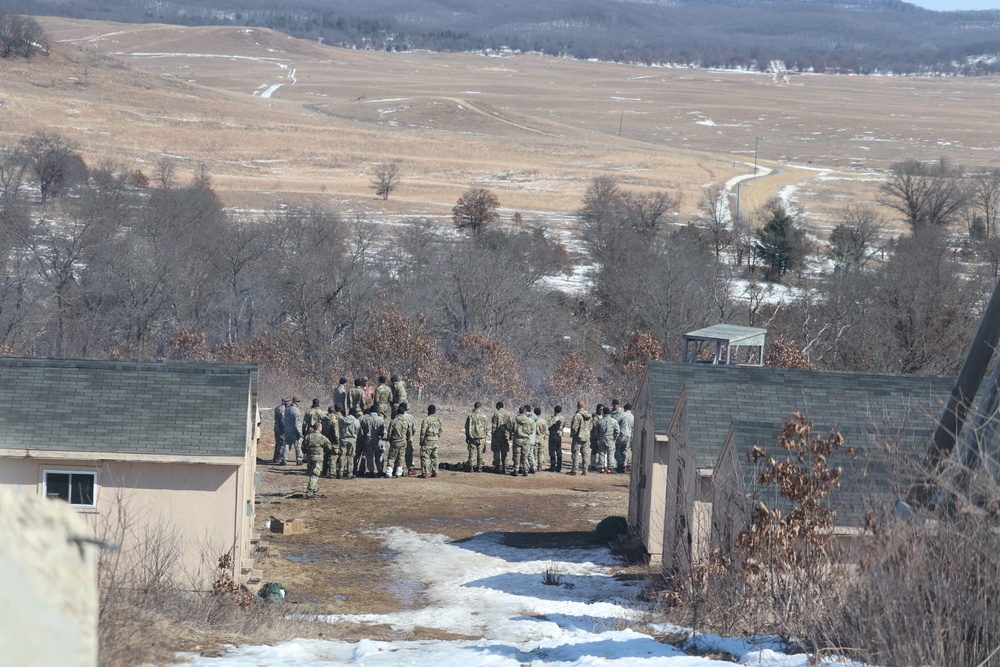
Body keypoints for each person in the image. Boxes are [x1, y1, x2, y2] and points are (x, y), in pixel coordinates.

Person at [303, 421, 332, 498]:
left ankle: (314, 488)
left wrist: (306, 452)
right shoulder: (322, 438)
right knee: (315, 474)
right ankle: (310, 492)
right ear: (319, 428)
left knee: (311, 474)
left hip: (310, 457)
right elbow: (329, 447)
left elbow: (303, 447)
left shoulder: (308, 436)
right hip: (318, 458)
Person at [386, 403, 414, 478]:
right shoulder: (406, 422)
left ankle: (389, 472)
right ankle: (399, 472)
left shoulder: (393, 421)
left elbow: (389, 433)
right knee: (401, 457)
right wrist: (407, 440)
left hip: (395, 441)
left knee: (392, 457)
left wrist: (390, 440)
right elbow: (409, 433)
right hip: (403, 441)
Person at [359, 406, 386, 477]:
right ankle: (380, 470)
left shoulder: (365, 420)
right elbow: (384, 432)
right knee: (379, 455)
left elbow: (361, 432)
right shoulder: (381, 419)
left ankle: (371, 471)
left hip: (368, 440)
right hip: (378, 440)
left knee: (369, 456)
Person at [568, 401, 592, 476]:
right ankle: (585, 470)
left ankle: (574, 470)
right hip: (586, 436)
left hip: (578, 437)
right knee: (585, 454)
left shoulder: (577, 415)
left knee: (575, 453)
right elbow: (591, 426)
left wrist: (572, 434)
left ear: (577, 406)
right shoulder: (589, 415)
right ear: (584, 406)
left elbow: (574, 427)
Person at [418, 404, 443, 478]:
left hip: (427, 441)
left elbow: (423, 431)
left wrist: (421, 441)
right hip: (435, 441)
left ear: (428, 411)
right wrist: (437, 437)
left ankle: (425, 473)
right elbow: (441, 430)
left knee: (425, 457)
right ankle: (435, 472)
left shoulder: (426, 420)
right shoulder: (438, 420)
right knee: (435, 457)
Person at [594, 405, 620, 473]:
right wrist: (615, 438)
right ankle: (610, 468)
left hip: (602, 438)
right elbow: (617, 431)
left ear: (604, 413)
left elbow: (596, 431)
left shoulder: (600, 421)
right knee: (610, 453)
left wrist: (598, 437)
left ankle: (601, 467)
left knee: (601, 453)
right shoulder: (614, 421)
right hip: (610, 438)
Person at [464, 401, 489, 472]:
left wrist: (467, 437)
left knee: (472, 452)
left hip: (472, 437)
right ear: (480, 407)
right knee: (480, 453)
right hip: (481, 437)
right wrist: (485, 435)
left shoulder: (470, 416)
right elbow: (486, 427)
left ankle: (471, 467)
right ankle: (479, 467)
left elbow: (467, 428)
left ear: (474, 407)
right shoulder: (484, 416)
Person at [511, 405, 534, 476]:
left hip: (517, 439)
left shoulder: (514, 419)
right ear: (525, 412)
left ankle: (516, 470)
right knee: (525, 455)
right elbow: (532, 431)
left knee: (516, 455)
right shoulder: (530, 421)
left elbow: (511, 428)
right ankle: (526, 470)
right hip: (526, 440)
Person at [491, 401, 513, 474]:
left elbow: (494, 425)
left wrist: (493, 434)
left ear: (497, 407)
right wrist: (510, 434)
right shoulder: (508, 414)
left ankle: (497, 466)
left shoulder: (496, 414)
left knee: (496, 451)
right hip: (505, 435)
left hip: (497, 435)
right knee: (504, 451)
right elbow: (510, 425)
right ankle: (505, 466)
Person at [338, 406, 361, 479]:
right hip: (352, 440)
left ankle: (340, 472)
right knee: (350, 457)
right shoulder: (356, 421)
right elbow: (357, 431)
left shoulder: (342, 420)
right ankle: (349, 473)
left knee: (342, 456)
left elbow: (339, 428)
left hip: (343, 439)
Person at [282, 395, 304, 466]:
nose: (300, 403)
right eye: (299, 401)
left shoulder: (287, 409)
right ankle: (299, 459)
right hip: (294, 431)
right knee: (298, 445)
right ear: (296, 402)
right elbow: (297, 422)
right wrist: (300, 433)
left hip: (287, 430)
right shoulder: (296, 410)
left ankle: (284, 459)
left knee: (287, 445)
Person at [321, 405, 341, 478]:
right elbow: (336, 433)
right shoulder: (334, 420)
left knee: (325, 456)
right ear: (333, 411)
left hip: (325, 439)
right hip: (333, 441)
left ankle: (324, 472)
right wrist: (337, 441)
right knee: (333, 456)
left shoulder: (323, 419)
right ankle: (332, 473)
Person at [615, 402, 635, 474]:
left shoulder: (622, 414)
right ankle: (622, 467)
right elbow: (633, 429)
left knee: (616, 450)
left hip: (621, 435)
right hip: (628, 436)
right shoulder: (633, 417)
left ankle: (621, 464)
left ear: (624, 408)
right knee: (624, 451)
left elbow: (615, 421)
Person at [548, 405, 565, 472]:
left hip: (553, 435)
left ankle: (552, 466)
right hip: (559, 435)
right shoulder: (563, 418)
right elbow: (563, 426)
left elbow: (548, 425)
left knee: (552, 451)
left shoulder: (553, 418)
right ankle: (559, 466)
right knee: (558, 451)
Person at [271, 397, 287, 464]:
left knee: (278, 443)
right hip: (281, 429)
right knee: (281, 443)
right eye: (287, 401)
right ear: (284, 401)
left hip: (277, 428)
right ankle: (278, 458)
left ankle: (276, 457)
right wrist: (285, 429)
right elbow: (282, 421)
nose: (288, 403)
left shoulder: (277, 408)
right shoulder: (282, 409)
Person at [532, 407, 547, 474]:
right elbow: (546, 431)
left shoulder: (533, 420)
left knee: (534, 453)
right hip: (541, 439)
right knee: (541, 453)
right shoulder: (543, 421)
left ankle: (534, 466)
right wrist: (543, 435)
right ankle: (540, 467)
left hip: (535, 439)